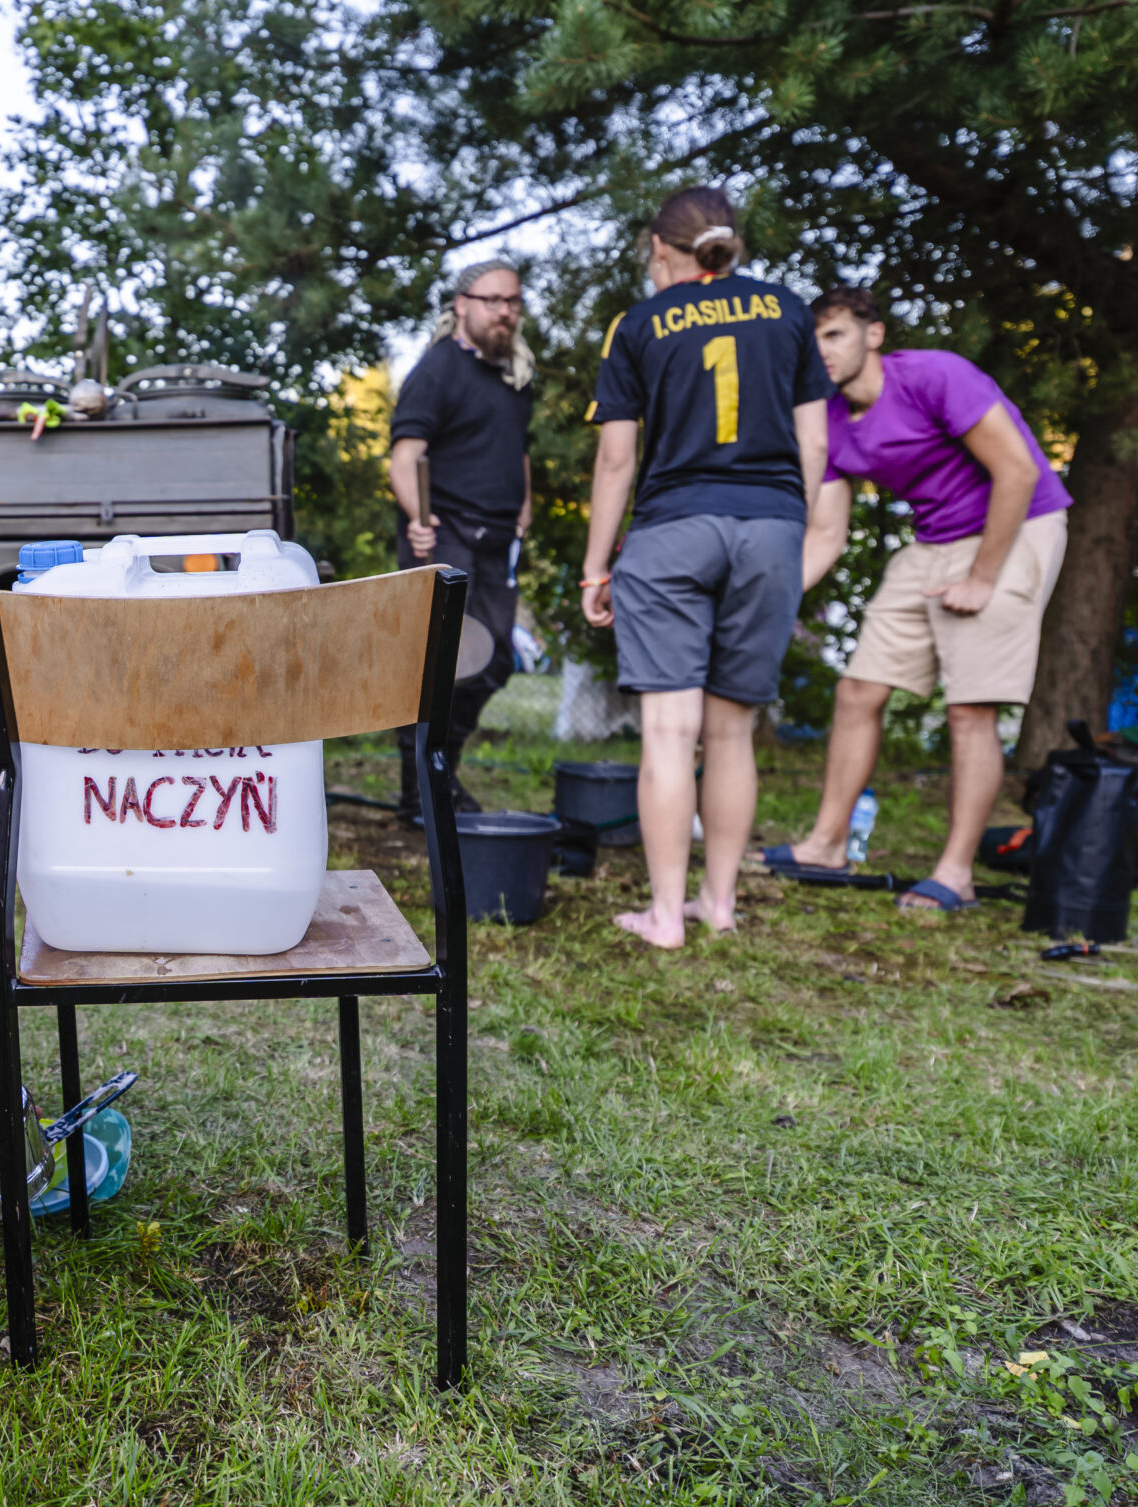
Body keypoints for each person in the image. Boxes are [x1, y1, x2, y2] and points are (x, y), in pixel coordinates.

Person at [579, 186, 834, 948]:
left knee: (668, 730)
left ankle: (665, 915)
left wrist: (596, 568)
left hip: (673, 530)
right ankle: (718, 904)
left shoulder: (638, 323)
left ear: (660, 248)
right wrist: (787, 526)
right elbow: (816, 444)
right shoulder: (787, 310)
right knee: (732, 732)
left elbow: (617, 459)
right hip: (770, 527)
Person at [767, 286, 1074, 911]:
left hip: (1016, 527)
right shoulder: (827, 419)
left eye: (834, 334)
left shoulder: (934, 376)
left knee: (969, 709)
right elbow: (825, 535)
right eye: (810, 340)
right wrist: (767, 601)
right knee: (858, 690)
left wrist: (983, 578)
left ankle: (954, 874)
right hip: (934, 540)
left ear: (873, 334)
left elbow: (1018, 471)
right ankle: (826, 843)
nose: (821, 351)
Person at [387, 258, 536, 823]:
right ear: (462, 304)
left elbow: (518, 451)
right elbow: (406, 457)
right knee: (443, 666)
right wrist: (418, 517)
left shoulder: (515, 376)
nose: (504, 311)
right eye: (492, 300)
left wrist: (523, 511)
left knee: (495, 662)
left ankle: (439, 774)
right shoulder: (438, 369)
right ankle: (422, 795)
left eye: (512, 301)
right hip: (446, 534)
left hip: (499, 541)